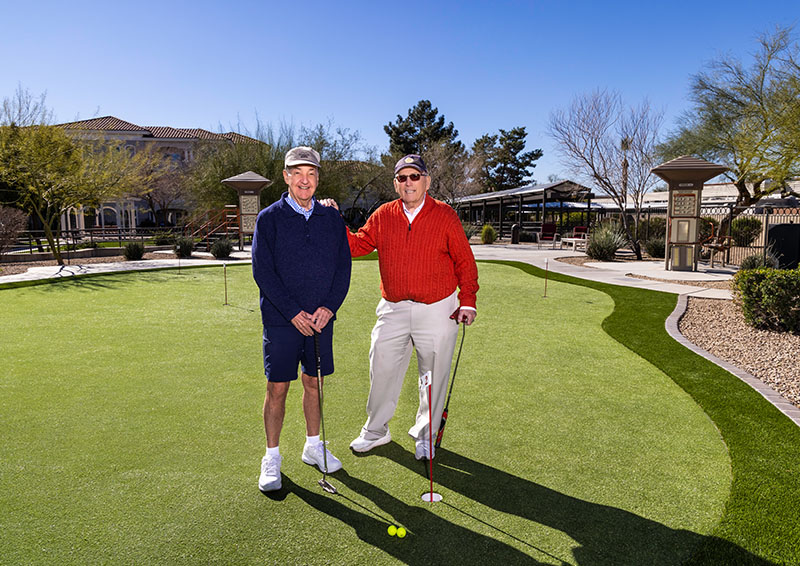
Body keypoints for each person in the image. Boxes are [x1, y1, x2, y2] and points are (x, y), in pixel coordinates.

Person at [324, 154, 478, 461]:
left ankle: (426, 436)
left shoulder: (444, 215)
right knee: (380, 366)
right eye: (403, 178)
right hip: (393, 308)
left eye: (414, 177)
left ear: (426, 181)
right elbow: (356, 246)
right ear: (396, 183)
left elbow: (464, 260)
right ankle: (376, 431)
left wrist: (468, 301)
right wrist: (333, 219)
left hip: (437, 308)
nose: (409, 183)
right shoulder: (384, 215)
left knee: (431, 377)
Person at [251, 146, 351, 492]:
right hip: (282, 321)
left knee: (315, 382)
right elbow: (263, 272)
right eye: (297, 173)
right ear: (286, 177)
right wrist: (293, 312)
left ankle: (312, 446)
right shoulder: (269, 218)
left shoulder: (332, 219)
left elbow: (343, 269)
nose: (304, 180)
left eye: (311, 174)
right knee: (277, 387)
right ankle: (272, 457)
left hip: (322, 321)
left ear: (318, 178)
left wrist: (329, 307)